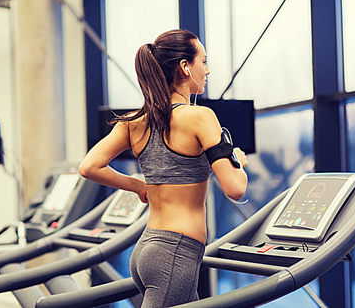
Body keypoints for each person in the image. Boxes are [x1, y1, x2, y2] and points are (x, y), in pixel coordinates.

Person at [78, 29, 248, 307]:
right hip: (175, 253)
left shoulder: (134, 122)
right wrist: (238, 161)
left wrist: (137, 186)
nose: (207, 70)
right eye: (203, 62)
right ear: (185, 67)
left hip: (148, 247)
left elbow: (89, 166)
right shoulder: (200, 117)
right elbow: (236, 188)